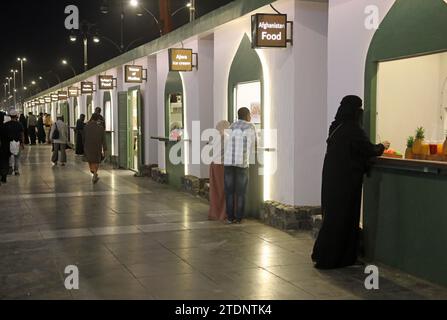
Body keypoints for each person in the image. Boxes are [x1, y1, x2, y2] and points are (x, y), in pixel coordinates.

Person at [311, 95, 390, 270]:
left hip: (331, 177)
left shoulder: (335, 126)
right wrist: (383, 146)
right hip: (346, 181)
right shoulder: (354, 129)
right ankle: (341, 258)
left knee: (332, 217)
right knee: (345, 217)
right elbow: (369, 150)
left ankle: (324, 254)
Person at [223, 107, 257, 224]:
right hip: (241, 163)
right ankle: (238, 218)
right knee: (241, 192)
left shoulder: (232, 126)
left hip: (228, 162)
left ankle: (229, 218)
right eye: (250, 115)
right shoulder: (251, 126)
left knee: (229, 192)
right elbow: (254, 145)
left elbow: (227, 143)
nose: (250, 117)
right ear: (247, 115)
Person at [209, 120, 231, 221]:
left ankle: (214, 213)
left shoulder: (214, 138)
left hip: (214, 165)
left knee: (215, 190)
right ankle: (223, 213)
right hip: (222, 166)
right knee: (223, 190)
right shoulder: (227, 138)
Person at [0, 110, 24, 181]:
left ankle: (10, 169)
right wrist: (22, 143)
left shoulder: (6, 124)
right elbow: (22, 134)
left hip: (8, 143)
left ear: (10, 116)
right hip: (17, 142)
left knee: (9, 156)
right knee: (17, 157)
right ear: (16, 116)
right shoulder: (19, 124)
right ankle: (16, 170)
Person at [83, 113, 107, 184]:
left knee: (90, 160)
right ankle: (95, 173)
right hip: (97, 146)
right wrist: (105, 149)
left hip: (88, 146)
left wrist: (84, 146)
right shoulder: (100, 128)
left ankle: (93, 172)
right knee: (96, 160)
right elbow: (103, 140)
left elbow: (83, 138)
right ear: (98, 119)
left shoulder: (86, 127)